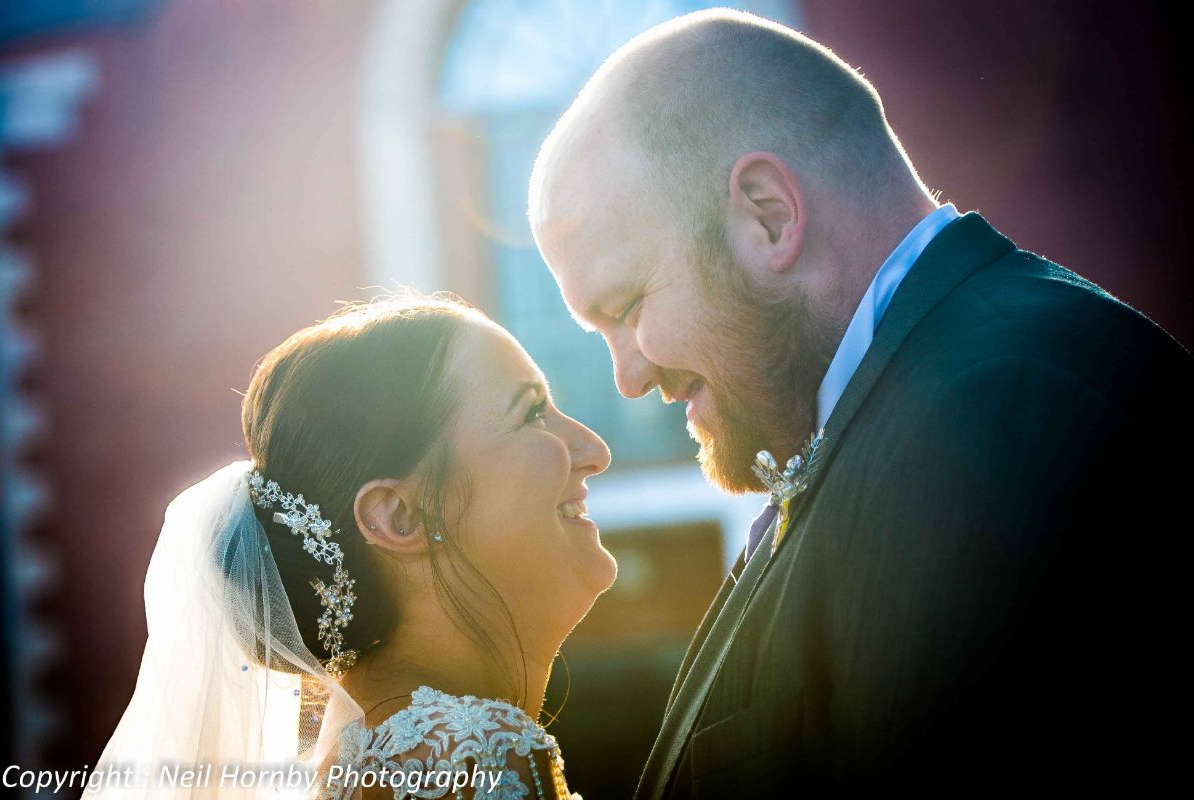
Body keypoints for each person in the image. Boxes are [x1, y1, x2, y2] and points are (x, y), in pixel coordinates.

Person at [528, 8, 1193, 795]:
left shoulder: (1000, 419)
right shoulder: (900, 414)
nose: (628, 378)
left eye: (628, 305)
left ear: (768, 215)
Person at [87, 295, 612, 799]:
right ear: (399, 516)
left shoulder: (371, 757)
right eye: (531, 414)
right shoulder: (466, 757)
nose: (594, 450)